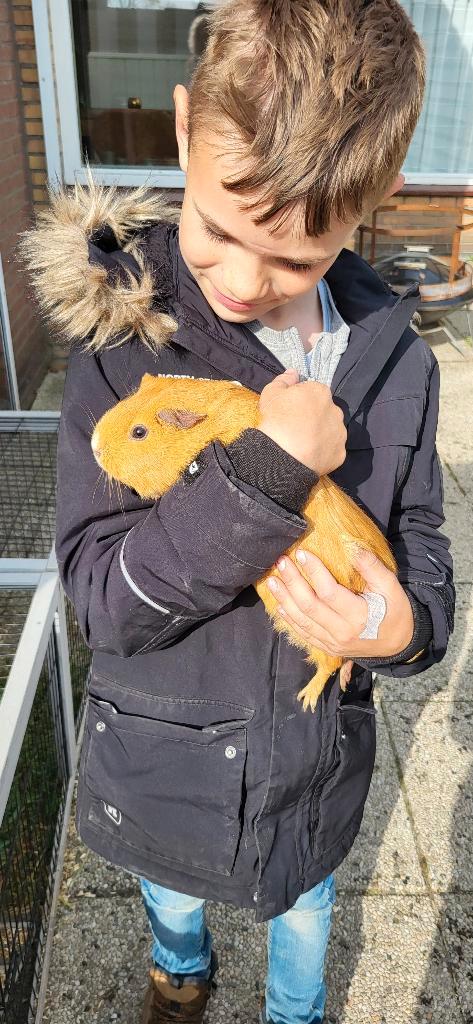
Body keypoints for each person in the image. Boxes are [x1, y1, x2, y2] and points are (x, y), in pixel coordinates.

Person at [18, 2, 455, 1021]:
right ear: (182, 130)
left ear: (373, 199)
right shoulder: (122, 343)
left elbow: (421, 542)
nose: (244, 282)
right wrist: (263, 475)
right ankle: (180, 974)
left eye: (294, 260)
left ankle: (293, 1012)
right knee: (171, 898)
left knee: (302, 911)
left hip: (308, 769)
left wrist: (402, 628)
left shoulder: (391, 355)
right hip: (167, 761)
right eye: (217, 229)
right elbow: (101, 600)